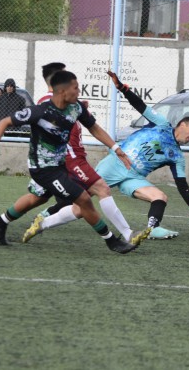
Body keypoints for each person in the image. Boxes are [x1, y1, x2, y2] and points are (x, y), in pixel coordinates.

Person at [24, 70, 189, 241]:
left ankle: (151, 229)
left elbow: (182, 185)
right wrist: (123, 88)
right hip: (116, 163)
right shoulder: (161, 124)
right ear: (182, 125)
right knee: (82, 200)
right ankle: (44, 216)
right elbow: (140, 105)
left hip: (134, 178)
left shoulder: (177, 156)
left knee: (160, 197)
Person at [0, 70, 137, 254]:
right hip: (43, 169)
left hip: (60, 165)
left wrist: (116, 149)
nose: (79, 91)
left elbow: (94, 127)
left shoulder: (76, 108)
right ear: (63, 91)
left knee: (37, 198)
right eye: (76, 88)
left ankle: (0, 222)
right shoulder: (40, 111)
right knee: (84, 199)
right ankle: (112, 241)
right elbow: (4, 122)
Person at [21, 63, 150, 246]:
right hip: (70, 158)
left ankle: (43, 223)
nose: (75, 86)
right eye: (67, 79)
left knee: (81, 206)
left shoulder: (72, 103)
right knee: (102, 189)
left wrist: (115, 149)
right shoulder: (49, 103)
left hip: (76, 157)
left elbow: (94, 127)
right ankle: (127, 234)